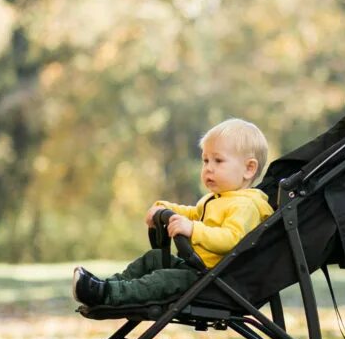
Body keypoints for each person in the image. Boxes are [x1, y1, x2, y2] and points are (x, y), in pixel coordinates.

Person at [72, 118, 274, 307]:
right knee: (154, 258)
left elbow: (232, 239)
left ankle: (108, 295)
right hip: (196, 268)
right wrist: (166, 208)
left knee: (162, 280)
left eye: (218, 161)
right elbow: (194, 214)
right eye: (205, 161)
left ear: (249, 169)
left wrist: (193, 230)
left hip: (213, 279)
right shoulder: (218, 199)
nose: (208, 168)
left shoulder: (246, 206)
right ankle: (106, 286)